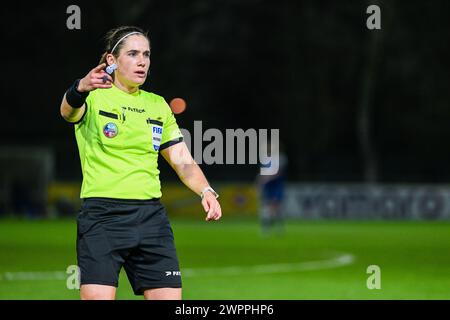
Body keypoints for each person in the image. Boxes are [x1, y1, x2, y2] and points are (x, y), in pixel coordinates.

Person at [59, 26, 222, 300]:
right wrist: (79, 87)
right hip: (102, 217)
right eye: (133, 54)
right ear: (112, 60)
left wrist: (206, 191)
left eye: (146, 54)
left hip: (150, 219)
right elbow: (67, 112)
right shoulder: (94, 96)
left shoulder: (157, 105)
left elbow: (182, 161)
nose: (142, 61)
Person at [257, 140, 287, 236]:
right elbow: (263, 172)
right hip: (268, 186)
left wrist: (268, 177)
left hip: (276, 185)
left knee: (276, 206)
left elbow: (279, 172)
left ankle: (278, 227)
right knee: (267, 207)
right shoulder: (265, 158)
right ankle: (266, 227)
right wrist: (260, 181)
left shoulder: (281, 158)